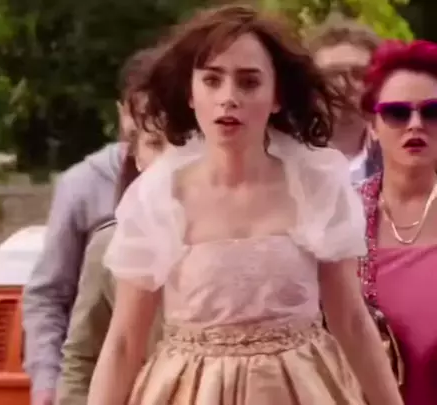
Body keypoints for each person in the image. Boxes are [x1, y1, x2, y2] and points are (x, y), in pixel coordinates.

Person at [87, 5, 403, 405]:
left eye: (249, 82)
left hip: (301, 390)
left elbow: (352, 322)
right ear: (191, 93)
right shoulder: (158, 195)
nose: (228, 98)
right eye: (212, 80)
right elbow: (123, 342)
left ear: (276, 97)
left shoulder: (316, 184)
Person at [21, 49, 154, 405]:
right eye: (141, 115)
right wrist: (47, 383)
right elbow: (49, 294)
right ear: (123, 112)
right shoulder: (82, 186)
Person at [56, 122, 167, 405]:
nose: (168, 160)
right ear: (137, 156)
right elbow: (82, 358)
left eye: (183, 145)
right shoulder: (110, 245)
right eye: (155, 144)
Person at [357, 39, 437, 405]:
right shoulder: (342, 215)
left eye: (432, 112)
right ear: (372, 126)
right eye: (396, 113)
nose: (415, 125)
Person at [305, 13, 383, 183]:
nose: (343, 85)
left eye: (358, 74)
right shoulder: (285, 157)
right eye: (331, 75)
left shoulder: (397, 158)